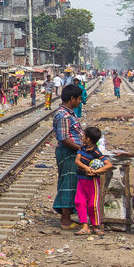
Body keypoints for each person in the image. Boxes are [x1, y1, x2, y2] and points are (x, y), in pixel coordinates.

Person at [53, 83, 85, 229]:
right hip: (69, 153)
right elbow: (64, 138)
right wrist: (82, 150)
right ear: (72, 99)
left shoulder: (69, 113)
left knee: (72, 183)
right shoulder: (63, 115)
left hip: (73, 152)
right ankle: (65, 220)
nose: (80, 102)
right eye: (79, 99)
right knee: (68, 184)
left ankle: (68, 215)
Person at [74, 126, 109, 236]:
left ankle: (95, 226)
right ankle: (85, 226)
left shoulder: (97, 152)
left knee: (93, 204)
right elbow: (77, 160)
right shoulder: (82, 148)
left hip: (92, 181)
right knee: (79, 202)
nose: (82, 138)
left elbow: (108, 164)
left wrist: (96, 171)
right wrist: (86, 168)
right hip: (81, 179)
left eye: (84, 136)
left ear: (88, 139)